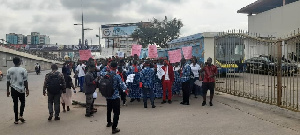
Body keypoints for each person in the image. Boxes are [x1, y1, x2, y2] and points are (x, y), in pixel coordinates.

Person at [106, 62, 127, 134]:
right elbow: (122, 86)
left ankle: (109, 122)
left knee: (109, 110)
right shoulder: (117, 76)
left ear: (110, 67)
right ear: (116, 67)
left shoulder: (106, 74)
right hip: (115, 96)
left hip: (108, 95)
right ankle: (114, 128)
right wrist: (126, 89)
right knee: (116, 112)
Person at [7, 57, 29, 124]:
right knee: (23, 102)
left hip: (13, 89)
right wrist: (27, 89)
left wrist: (8, 90)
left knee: (15, 103)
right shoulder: (23, 70)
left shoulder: (9, 70)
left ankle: (16, 120)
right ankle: (21, 115)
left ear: (13, 62)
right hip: (21, 89)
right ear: (19, 62)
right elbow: (25, 81)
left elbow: (8, 81)